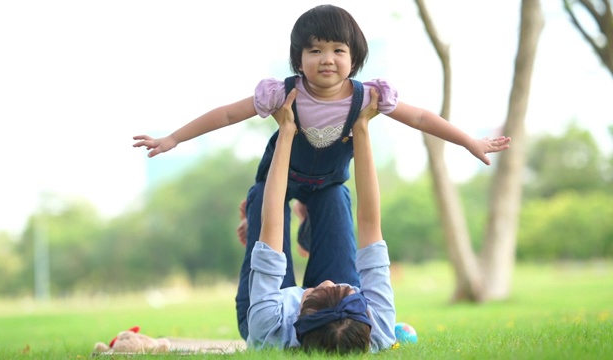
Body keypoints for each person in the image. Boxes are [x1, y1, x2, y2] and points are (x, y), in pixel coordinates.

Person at [132, 4, 512, 340]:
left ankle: (310, 225)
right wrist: (174, 139)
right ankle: (272, 218)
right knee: (267, 200)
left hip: (328, 183)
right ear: (298, 60)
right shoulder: (282, 94)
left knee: (335, 198)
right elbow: (229, 113)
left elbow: (420, 117)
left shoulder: (366, 97)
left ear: (354, 58)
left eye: (337, 50)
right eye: (314, 50)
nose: (326, 58)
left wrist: (468, 142)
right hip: (282, 178)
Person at [246, 85, 394, 353]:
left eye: (315, 292)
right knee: (334, 193)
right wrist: (361, 128)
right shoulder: (378, 328)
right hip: (332, 317)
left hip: (266, 305)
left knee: (261, 196)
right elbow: (371, 222)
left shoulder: (268, 327)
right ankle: (311, 211)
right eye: (343, 289)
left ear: (298, 316)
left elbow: (273, 223)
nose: (326, 282)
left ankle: (301, 208)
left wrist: (287, 131)